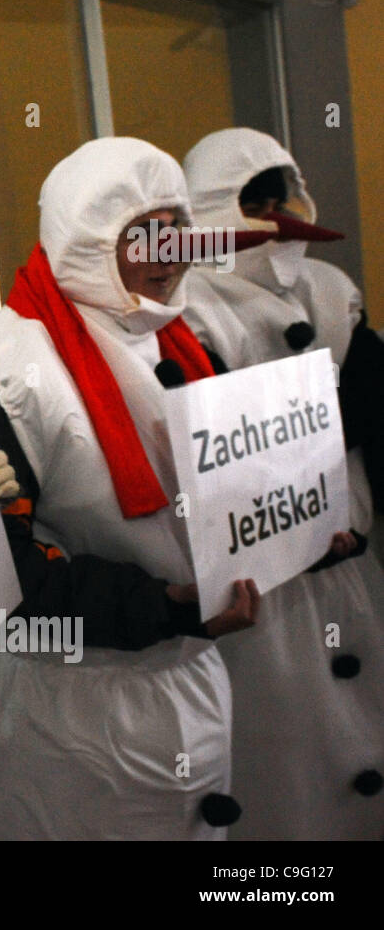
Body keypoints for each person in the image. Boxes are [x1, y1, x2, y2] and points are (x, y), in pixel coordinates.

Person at [0, 136, 263, 840]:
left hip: (188, 678)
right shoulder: (8, 370)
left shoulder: (179, 338)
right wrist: (164, 606)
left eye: (177, 228)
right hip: (72, 711)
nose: (170, 252)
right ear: (88, 240)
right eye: (144, 235)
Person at [181, 126, 384, 838]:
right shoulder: (188, 308)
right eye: (250, 197)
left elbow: (374, 406)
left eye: (279, 194)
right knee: (285, 766)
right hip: (264, 590)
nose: (270, 214)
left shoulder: (332, 289)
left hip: (351, 563)